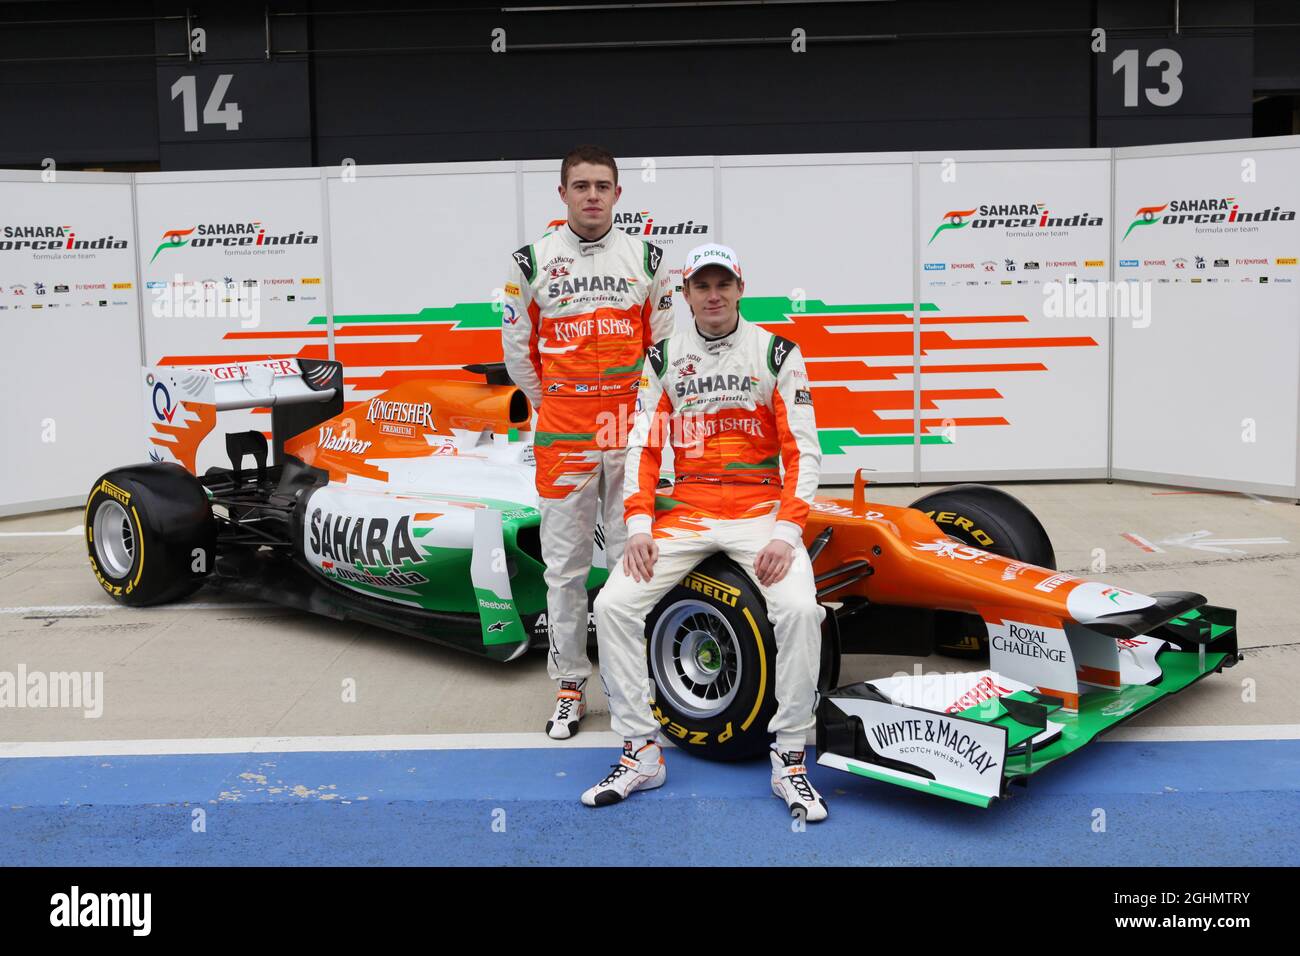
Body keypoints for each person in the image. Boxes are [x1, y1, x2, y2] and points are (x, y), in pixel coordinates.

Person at [584, 242, 829, 821]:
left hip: (759, 512)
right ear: (685, 293)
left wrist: (786, 535)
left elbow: (805, 454)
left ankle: (790, 756)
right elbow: (643, 445)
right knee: (614, 603)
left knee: (798, 610)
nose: (713, 296)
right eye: (702, 286)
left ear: (740, 289)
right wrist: (639, 524)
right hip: (689, 510)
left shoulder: (776, 353)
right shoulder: (662, 357)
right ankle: (642, 750)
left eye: (723, 285)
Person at [502, 145, 676, 739]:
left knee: (635, 559)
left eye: (603, 186)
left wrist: (645, 417)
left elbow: (666, 350)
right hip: (564, 429)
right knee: (564, 568)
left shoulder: (649, 257)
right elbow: (518, 353)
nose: (593, 196)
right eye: (581, 186)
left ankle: (641, 681)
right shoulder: (530, 261)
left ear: (619, 194)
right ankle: (571, 684)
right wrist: (557, 404)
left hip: (631, 430)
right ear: (563, 194)